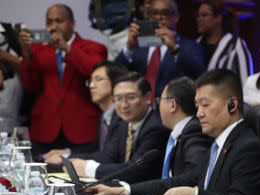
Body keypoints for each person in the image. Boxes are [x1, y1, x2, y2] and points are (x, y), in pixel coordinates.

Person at [157, 69, 260, 195]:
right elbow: (185, 181)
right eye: (197, 106)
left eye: (205, 105)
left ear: (232, 105)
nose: (198, 114)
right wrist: (127, 190)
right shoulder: (218, 144)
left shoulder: (248, 147)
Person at [85, 76, 213, 195]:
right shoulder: (181, 133)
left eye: (159, 101)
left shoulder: (193, 131)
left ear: (172, 105)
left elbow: (189, 180)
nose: (123, 105)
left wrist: (124, 191)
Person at [18, 4, 107, 155]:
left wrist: (65, 47)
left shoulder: (93, 47)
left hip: (81, 129)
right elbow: (30, 86)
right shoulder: (37, 50)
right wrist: (26, 54)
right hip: (44, 129)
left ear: (72, 23)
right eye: (49, 22)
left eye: (59, 21)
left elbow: (93, 71)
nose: (53, 26)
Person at [70, 72, 170, 183]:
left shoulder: (155, 127)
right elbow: (109, 157)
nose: (123, 105)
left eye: (131, 97)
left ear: (147, 97)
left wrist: (88, 169)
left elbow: (135, 170)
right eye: (118, 99)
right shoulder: (124, 123)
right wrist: (73, 161)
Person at [115, 0, 205, 100]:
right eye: (154, 13)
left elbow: (199, 75)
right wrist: (129, 47)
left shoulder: (190, 46)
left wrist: (174, 49)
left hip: (172, 108)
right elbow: (115, 73)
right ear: (149, 17)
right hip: (139, 108)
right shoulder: (137, 45)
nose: (159, 18)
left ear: (176, 17)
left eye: (165, 13)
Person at [43, 60, 127, 164]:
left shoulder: (124, 116)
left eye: (98, 79)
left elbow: (108, 156)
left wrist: (66, 158)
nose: (91, 85)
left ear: (116, 83)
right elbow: (95, 149)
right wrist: (67, 152)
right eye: (90, 81)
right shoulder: (103, 117)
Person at [196, 0, 253, 85]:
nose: (199, 19)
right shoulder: (196, 44)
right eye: (198, 15)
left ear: (218, 17)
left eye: (204, 15)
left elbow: (245, 83)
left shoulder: (235, 45)